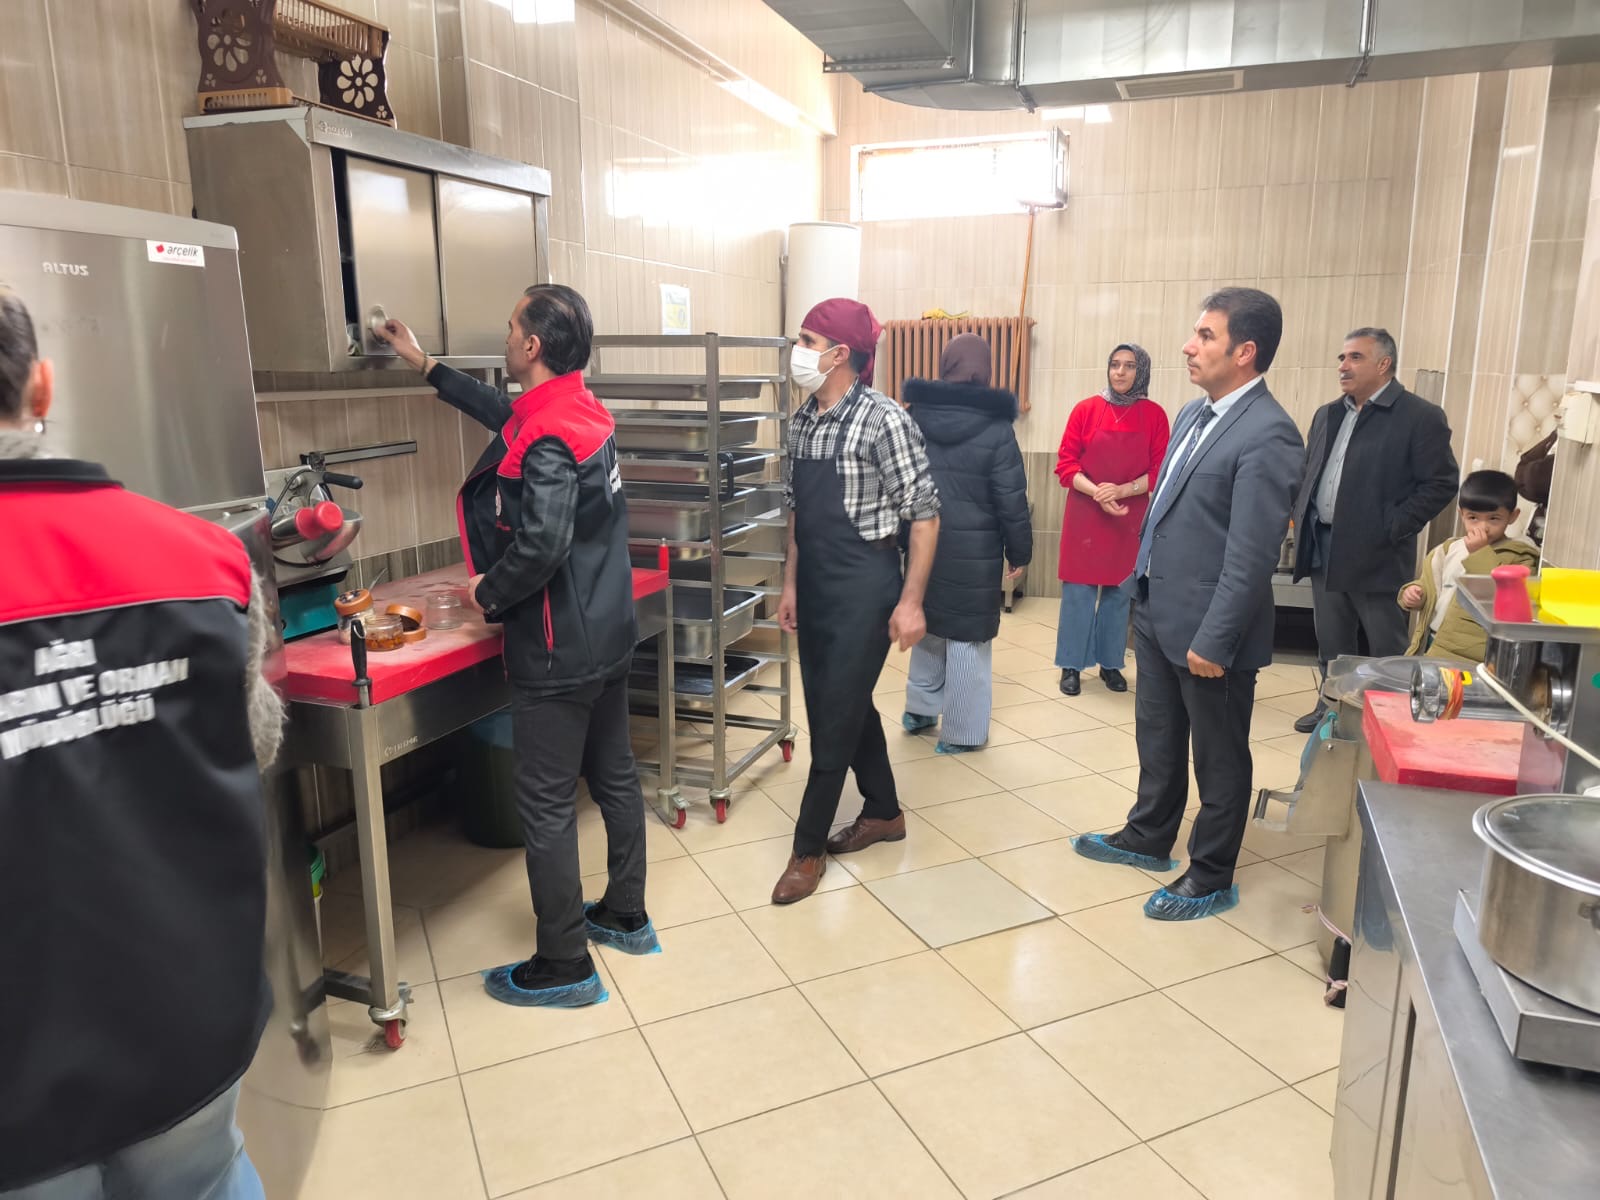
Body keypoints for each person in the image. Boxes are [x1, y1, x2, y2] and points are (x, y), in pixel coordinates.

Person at [0, 289, 282, 1198]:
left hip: (21, 1066)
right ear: (42, 388)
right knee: (205, 1176)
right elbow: (255, 743)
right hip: (186, 1007)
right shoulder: (205, 557)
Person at [374, 285, 657, 1008]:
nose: (503, 338)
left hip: (559, 648)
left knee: (546, 804)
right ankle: (625, 914)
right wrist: (423, 363)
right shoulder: (579, 409)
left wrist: (487, 593)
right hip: (610, 631)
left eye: (509, 328)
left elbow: (543, 543)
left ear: (531, 346)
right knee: (615, 776)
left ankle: (563, 963)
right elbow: (502, 413)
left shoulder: (550, 434)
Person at [1073, 287, 1304, 921]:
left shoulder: (1269, 433)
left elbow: (1252, 555)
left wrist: (1217, 638)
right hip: (1156, 607)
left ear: (1245, 351)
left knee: (1218, 754)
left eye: (1205, 335)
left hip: (1210, 630)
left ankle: (1211, 873)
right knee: (1159, 735)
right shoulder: (1193, 414)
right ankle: (1149, 835)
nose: (1188, 346)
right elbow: (1168, 509)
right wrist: (1138, 587)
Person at [773, 298, 940, 904]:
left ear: (840, 354)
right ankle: (885, 812)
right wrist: (791, 584)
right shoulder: (802, 419)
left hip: (867, 583)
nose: (797, 350)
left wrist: (911, 602)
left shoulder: (883, 420)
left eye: (807, 340)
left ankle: (807, 849)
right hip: (817, 582)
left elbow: (925, 516)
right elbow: (798, 513)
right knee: (840, 703)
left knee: (832, 719)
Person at [1290, 327, 1458, 733]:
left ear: (1384, 364)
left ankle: (1392, 721)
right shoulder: (1328, 413)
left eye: (1355, 357)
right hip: (1324, 545)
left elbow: (1441, 482)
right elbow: (1311, 470)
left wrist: (1393, 526)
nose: (1343, 366)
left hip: (1378, 552)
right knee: (1332, 641)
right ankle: (1332, 708)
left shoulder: (1419, 416)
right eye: (1342, 358)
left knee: (1386, 646)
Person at [899, 334, 1031, 753]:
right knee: (968, 641)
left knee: (928, 628)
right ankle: (962, 734)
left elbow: (900, 484)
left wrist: (901, 541)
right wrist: (1020, 552)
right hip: (976, 555)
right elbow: (1011, 499)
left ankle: (920, 710)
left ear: (946, 366)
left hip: (924, 546)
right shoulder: (997, 428)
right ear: (985, 371)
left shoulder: (915, 417)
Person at [1053, 343, 1171, 696]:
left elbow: (1160, 471)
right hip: (1085, 513)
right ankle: (1071, 665)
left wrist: (1121, 491)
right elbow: (1066, 465)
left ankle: (1110, 663)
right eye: (1115, 364)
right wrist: (1098, 493)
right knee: (1078, 591)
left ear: (1142, 371)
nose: (1120, 372)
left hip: (1128, 516)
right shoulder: (1085, 410)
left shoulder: (1155, 416)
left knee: (1120, 594)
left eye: (1129, 366)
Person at [1400, 470, 1539, 662]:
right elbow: (1432, 585)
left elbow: (1506, 599)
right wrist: (1416, 593)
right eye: (1473, 518)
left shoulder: (1520, 556)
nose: (1482, 527)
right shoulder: (1448, 549)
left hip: (1473, 656)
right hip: (1433, 642)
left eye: (1494, 518)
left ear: (1512, 516)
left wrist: (1479, 553)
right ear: (1461, 514)